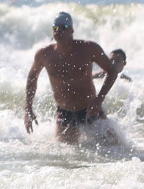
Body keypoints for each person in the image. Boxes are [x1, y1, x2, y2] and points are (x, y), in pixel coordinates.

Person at [24, 12, 118, 144]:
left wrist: (99, 99)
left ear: (72, 30)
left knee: (116, 148)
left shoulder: (89, 48)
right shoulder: (44, 54)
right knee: (66, 159)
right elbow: (32, 78)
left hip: (90, 109)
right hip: (64, 112)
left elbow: (112, 71)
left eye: (64, 27)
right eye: (55, 27)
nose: (59, 30)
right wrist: (28, 108)